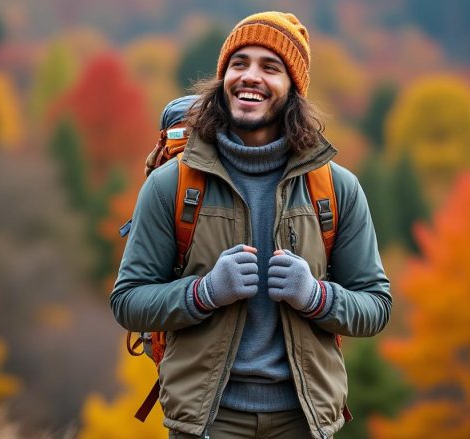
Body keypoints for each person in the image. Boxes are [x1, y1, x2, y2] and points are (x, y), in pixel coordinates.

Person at [111, 11, 392, 439]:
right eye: (239, 64)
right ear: (223, 78)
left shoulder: (336, 188)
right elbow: (128, 301)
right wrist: (203, 293)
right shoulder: (174, 183)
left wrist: (315, 296)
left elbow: (376, 306)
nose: (250, 77)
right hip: (206, 420)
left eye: (270, 67)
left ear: (293, 88)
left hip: (304, 420)